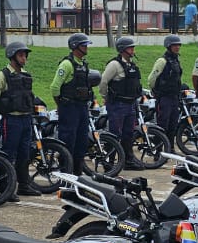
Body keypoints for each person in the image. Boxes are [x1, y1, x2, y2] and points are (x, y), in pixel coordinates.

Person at [0, 41, 42, 201]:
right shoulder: (2, 76)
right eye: (21, 54)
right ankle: (5, 187)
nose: (24, 57)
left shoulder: (25, 75)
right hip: (11, 119)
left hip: (25, 119)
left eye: (25, 54)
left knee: (24, 154)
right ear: (12, 56)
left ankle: (24, 185)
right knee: (8, 155)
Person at [51, 33, 94, 175]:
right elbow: (55, 87)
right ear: (75, 46)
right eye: (84, 45)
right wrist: (61, 104)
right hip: (70, 108)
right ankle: (66, 173)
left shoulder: (83, 64)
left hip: (81, 108)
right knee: (68, 141)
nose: (86, 48)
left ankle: (77, 173)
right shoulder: (67, 64)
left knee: (82, 142)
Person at [99, 36, 144, 170]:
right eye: (130, 47)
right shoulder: (114, 65)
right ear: (123, 49)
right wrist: (106, 97)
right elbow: (103, 82)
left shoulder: (131, 65)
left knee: (128, 134)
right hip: (117, 104)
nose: (133, 49)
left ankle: (128, 161)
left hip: (130, 104)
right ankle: (109, 162)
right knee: (115, 134)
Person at [148, 34, 184, 133]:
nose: (177, 47)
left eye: (178, 45)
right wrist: (156, 92)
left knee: (173, 123)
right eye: (174, 45)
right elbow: (152, 79)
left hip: (174, 97)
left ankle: (171, 147)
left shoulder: (176, 60)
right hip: (164, 98)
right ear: (168, 46)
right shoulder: (162, 61)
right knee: (163, 124)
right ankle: (160, 147)